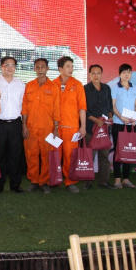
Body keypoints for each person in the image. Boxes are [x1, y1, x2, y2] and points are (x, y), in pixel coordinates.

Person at [22, 58, 60, 194]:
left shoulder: (54, 87)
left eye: (42, 67)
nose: (40, 69)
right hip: (31, 127)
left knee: (46, 156)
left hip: (47, 128)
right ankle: (33, 181)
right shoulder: (29, 86)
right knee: (31, 155)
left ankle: (44, 181)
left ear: (47, 69)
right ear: (34, 69)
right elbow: (24, 108)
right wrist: (24, 126)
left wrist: (56, 128)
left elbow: (56, 109)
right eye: (37, 67)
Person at [53, 56, 87, 193]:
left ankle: (70, 182)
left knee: (70, 156)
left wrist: (83, 126)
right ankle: (54, 179)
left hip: (71, 127)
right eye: (68, 66)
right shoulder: (52, 84)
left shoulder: (77, 84)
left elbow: (82, 108)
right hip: (54, 128)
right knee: (55, 155)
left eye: (72, 66)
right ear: (60, 69)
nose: (71, 69)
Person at [0, 56, 26, 193]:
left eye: (12, 65)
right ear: (2, 67)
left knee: (15, 155)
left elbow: (24, 106)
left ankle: (15, 185)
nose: (10, 68)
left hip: (16, 124)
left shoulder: (21, 84)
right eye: (7, 65)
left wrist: (24, 125)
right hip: (0, 124)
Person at [83, 64, 115, 190]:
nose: (96, 76)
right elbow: (83, 110)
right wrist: (96, 120)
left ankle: (104, 181)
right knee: (89, 156)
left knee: (104, 156)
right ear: (89, 75)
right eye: (93, 73)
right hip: (91, 128)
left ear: (101, 74)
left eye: (98, 73)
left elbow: (110, 107)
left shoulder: (106, 88)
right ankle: (88, 182)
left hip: (104, 129)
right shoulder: (85, 89)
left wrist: (110, 117)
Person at [109, 63, 136, 189]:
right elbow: (113, 106)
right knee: (118, 151)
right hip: (118, 123)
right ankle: (117, 179)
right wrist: (121, 117)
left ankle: (126, 179)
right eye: (124, 72)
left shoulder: (135, 88)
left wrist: (135, 117)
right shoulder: (115, 88)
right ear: (120, 74)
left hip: (132, 124)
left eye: (129, 72)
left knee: (129, 151)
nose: (127, 75)